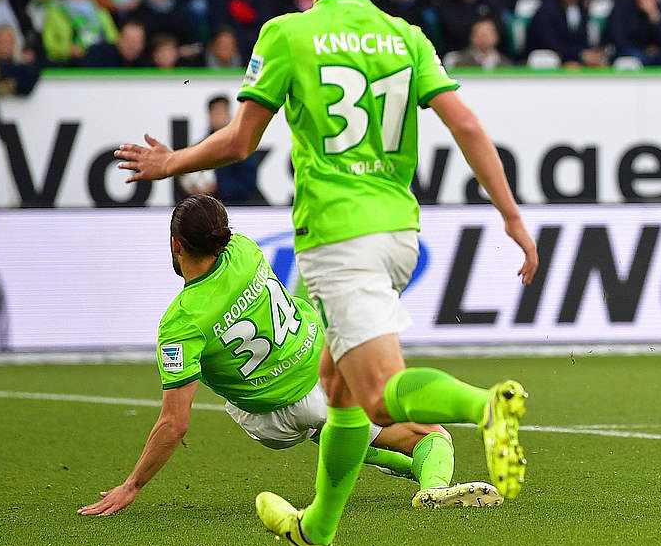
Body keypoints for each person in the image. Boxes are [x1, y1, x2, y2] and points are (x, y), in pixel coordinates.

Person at [114, 0, 538, 546]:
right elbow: (466, 126)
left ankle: (485, 406)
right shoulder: (404, 36)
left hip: (339, 237)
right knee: (340, 395)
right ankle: (318, 532)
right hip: (400, 231)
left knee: (376, 391)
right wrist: (512, 216)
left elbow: (240, 141)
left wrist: (172, 163)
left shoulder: (287, 35)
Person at [77, 194, 500, 518]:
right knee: (431, 435)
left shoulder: (180, 324)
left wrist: (132, 485)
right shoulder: (244, 249)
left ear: (176, 244)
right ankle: (435, 484)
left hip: (268, 420)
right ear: (223, 234)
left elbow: (175, 423)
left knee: (333, 429)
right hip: (319, 373)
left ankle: (393, 464)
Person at [527, 0, 607, 66]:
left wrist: (589, 54)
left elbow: (583, 39)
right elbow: (549, 43)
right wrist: (579, 54)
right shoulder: (546, 10)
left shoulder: (581, 7)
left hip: (575, 56)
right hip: (551, 57)